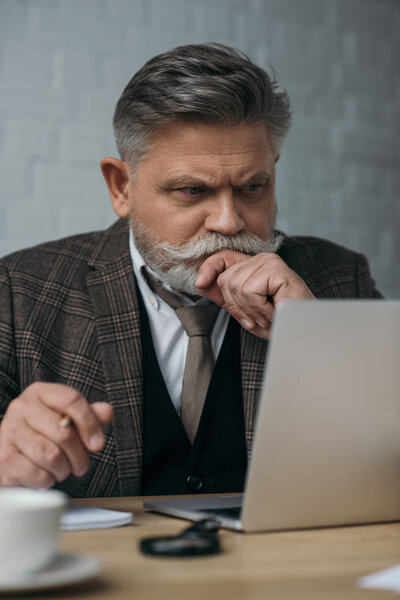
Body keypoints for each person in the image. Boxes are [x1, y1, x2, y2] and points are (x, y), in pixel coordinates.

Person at [0, 44, 382, 497]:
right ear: (121, 187)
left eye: (252, 186)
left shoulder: (339, 279)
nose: (229, 221)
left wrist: (316, 337)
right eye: (191, 190)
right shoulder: (18, 291)